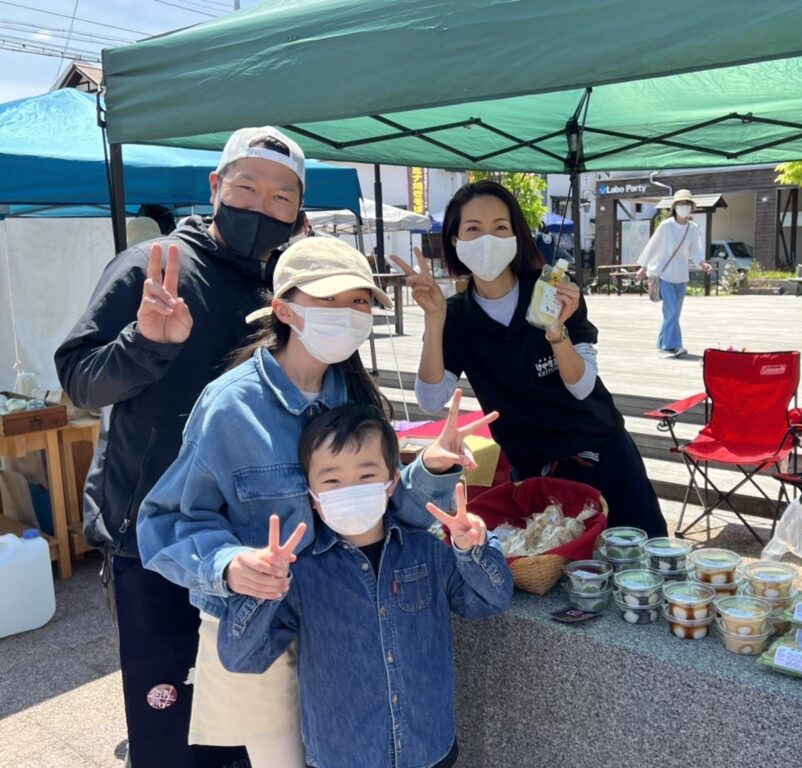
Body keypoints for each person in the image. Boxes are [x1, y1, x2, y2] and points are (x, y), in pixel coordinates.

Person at [137, 238, 491, 767]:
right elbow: (163, 521)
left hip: (348, 624)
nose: (348, 313)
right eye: (329, 299)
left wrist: (431, 470)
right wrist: (230, 565)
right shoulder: (230, 407)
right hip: (263, 625)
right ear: (284, 309)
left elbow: (386, 512)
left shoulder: (354, 395)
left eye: (359, 301)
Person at [55, 126, 310, 768]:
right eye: (246, 188)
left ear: (298, 211)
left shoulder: (281, 286)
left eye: (281, 197)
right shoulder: (155, 265)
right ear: (215, 186)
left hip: (248, 543)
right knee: (172, 729)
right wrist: (145, 344)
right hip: (155, 541)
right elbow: (79, 381)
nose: (261, 206)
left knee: (247, 725)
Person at [217, 403, 513, 768]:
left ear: (392, 482)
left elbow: (489, 601)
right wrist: (264, 587)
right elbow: (241, 657)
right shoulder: (299, 572)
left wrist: (472, 550)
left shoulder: (428, 550)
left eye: (366, 475)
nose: (350, 489)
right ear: (311, 494)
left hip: (429, 750)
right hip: (342, 756)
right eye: (332, 481)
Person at [395, 179, 666, 537]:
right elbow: (430, 399)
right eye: (473, 229)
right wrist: (434, 319)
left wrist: (556, 331)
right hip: (535, 476)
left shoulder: (554, 288)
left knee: (640, 557)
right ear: (455, 242)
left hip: (603, 459)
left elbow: (582, 386)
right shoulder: (455, 315)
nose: (488, 239)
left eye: (500, 227)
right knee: (556, 567)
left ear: (515, 236)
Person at [635, 189, 713, 358]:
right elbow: (653, 246)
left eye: (687, 203)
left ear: (691, 207)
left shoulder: (693, 228)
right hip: (664, 274)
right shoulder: (666, 225)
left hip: (681, 275)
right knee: (672, 312)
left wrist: (702, 263)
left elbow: (695, 250)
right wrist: (643, 267)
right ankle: (673, 345)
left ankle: (662, 341)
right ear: (675, 206)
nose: (684, 206)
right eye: (681, 203)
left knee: (674, 312)